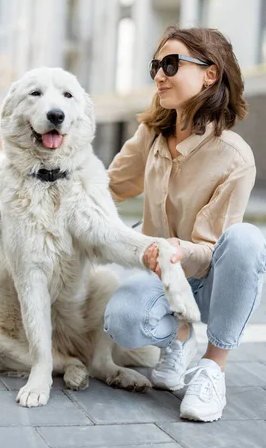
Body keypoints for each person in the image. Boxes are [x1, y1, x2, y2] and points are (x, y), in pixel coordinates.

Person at [104, 26, 266, 422]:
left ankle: (213, 366)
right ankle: (179, 336)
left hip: (209, 282)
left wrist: (176, 249)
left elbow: (213, 251)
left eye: (171, 64)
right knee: (121, 320)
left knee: (246, 239)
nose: (160, 74)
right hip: (160, 277)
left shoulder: (235, 157)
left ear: (209, 74)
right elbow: (107, 189)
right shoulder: (151, 136)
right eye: (156, 65)